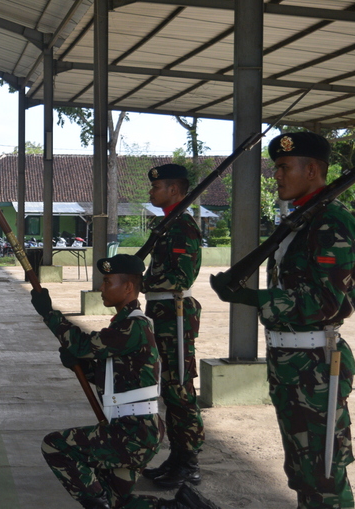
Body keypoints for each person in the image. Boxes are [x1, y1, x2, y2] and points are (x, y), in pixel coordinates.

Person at [211, 132, 355, 509]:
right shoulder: (302, 220)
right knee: (302, 470)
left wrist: (251, 298)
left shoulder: (331, 222)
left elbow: (328, 302)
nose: (275, 175)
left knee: (324, 471)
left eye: (282, 167)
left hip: (315, 369)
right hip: (290, 366)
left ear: (312, 170)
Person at [30, 254, 218, 509]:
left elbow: (83, 343)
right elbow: (117, 378)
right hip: (134, 427)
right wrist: (83, 366)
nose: (101, 288)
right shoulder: (126, 326)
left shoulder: (133, 327)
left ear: (128, 287)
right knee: (118, 502)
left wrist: (49, 314)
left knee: (56, 446)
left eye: (108, 282)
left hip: (133, 431)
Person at [139, 163, 205, 488]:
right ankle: (177, 456)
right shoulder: (167, 223)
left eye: (156, 187)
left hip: (176, 313)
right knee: (169, 388)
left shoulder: (182, 227)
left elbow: (180, 276)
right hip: (161, 311)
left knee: (180, 387)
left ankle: (189, 463)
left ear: (174, 190)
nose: (151, 192)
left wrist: (141, 279)